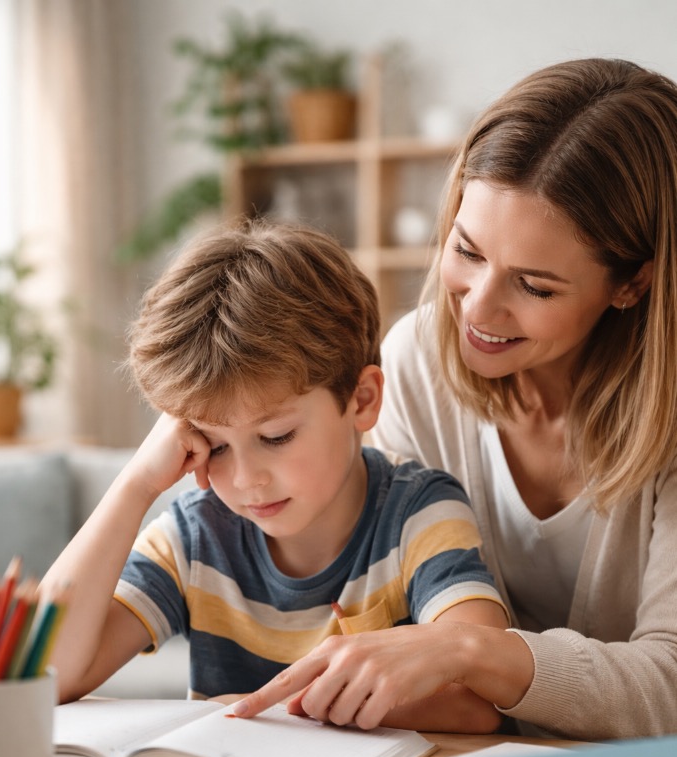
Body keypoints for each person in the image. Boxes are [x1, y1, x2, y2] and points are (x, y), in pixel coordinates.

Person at [235, 57, 677, 740]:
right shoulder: (415, 364)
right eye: (467, 251)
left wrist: (476, 650)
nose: (479, 307)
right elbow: (394, 621)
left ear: (633, 284)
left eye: (535, 286)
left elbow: (669, 686)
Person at [42, 220, 508, 731]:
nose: (246, 480)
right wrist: (136, 485)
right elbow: (46, 673)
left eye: (277, 436)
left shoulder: (419, 514)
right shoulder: (196, 535)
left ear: (363, 399)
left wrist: (270, 709)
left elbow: (475, 697)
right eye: (215, 446)